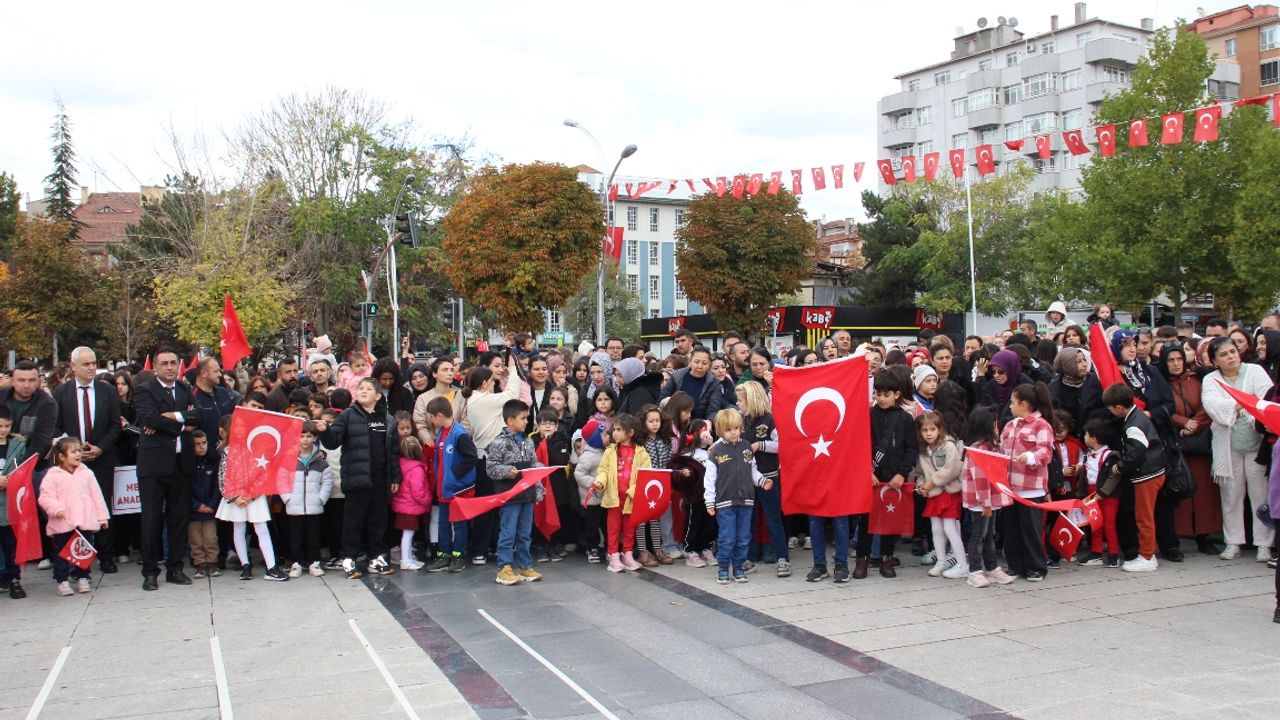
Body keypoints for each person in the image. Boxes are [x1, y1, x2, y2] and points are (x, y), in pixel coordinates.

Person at [315, 377, 401, 579]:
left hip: (380, 480)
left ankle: (376, 557)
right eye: (360, 388)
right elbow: (333, 441)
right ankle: (348, 558)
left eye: (368, 389)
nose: (363, 391)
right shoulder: (347, 416)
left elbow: (394, 452)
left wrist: (395, 477)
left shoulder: (387, 420)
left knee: (378, 520)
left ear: (378, 395)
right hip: (356, 478)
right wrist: (325, 430)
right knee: (353, 521)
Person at [134, 349, 204, 590]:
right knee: (152, 520)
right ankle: (150, 572)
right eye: (164, 364)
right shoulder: (145, 390)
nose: (170, 367)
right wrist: (183, 425)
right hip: (154, 465)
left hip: (181, 464)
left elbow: (199, 416)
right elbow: (150, 419)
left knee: (178, 519)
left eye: (174, 363)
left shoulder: (185, 389)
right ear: (155, 367)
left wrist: (174, 417)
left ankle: (175, 568)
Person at [1201, 337, 1275, 562]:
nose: (1231, 356)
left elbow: (1265, 402)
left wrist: (1246, 405)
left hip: (1255, 445)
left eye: (1233, 351)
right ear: (1214, 361)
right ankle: (1233, 542)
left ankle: (1264, 544)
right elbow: (1213, 407)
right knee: (1231, 496)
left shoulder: (1255, 371)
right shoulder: (1211, 380)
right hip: (1228, 446)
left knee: (1260, 494)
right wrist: (1244, 403)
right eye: (1223, 354)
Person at [51, 347, 122, 574]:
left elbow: (115, 424)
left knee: (102, 506)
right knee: (74, 509)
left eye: (94, 363)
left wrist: (100, 448)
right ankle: (78, 558)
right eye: (86, 364)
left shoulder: (107, 391)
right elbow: (57, 426)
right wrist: (72, 450)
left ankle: (106, 555)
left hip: (102, 458)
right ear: (73, 367)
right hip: (71, 464)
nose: (92, 367)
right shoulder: (61, 393)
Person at [460, 354, 525, 565]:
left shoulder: (474, 400)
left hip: (487, 458)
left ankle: (488, 547)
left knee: (491, 505)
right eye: (491, 380)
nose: (493, 383)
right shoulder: (483, 400)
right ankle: (482, 549)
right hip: (491, 458)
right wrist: (513, 369)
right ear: (484, 383)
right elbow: (512, 394)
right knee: (492, 506)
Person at [1159, 344, 1220, 555]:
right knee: (1179, 489)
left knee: (1204, 493)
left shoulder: (1198, 379)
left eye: (1179, 359)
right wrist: (1183, 422)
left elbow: (1207, 404)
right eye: (1171, 360)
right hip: (1176, 443)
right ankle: (1177, 536)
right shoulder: (1161, 383)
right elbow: (1162, 407)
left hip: (1200, 441)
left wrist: (1195, 423)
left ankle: (1205, 536)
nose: (1176, 364)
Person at [213, 415, 287, 582]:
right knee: (238, 528)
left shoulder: (255, 447)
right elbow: (223, 476)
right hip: (235, 494)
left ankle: (271, 567)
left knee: (261, 529)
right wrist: (235, 496)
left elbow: (263, 473)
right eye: (236, 426)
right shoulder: (226, 449)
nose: (239, 430)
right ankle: (245, 564)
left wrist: (251, 494)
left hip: (254, 494)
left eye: (242, 426)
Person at [1103, 383, 1168, 572]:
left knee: (1144, 517)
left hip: (1147, 474)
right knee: (1145, 515)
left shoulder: (1134, 424)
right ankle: (1147, 554)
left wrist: (1119, 466)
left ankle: (1147, 556)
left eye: (1110, 407)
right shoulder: (1137, 416)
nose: (1109, 411)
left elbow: (1135, 454)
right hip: (1152, 471)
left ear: (1118, 408)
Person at [703, 409, 771, 584]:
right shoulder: (716, 451)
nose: (733, 432)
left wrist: (762, 481)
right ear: (720, 431)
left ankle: (739, 567)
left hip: (746, 501)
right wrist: (709, 501)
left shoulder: (746, 446)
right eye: (728, 429)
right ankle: (723, 568)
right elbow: (709, 479)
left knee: (743, 537)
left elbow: (752, 470)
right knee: (727, 537)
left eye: (736, 428)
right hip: (725, 502)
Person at [38, 437, 109, 596]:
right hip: (63, 522)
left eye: (79, 450)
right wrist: (56, 509)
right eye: (73, 451)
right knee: (61, 553)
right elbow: (45, 496)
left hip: (84, 520)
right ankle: (62, 581)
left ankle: (83, 576)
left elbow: (97, 496)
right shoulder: (53, 475)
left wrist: (102, 518)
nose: (78, 454)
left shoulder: (87, 473)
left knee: (83, 552)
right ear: (62, 456)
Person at [999, 383, 1056, 582]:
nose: (1010, 406)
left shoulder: (1042, 425)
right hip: (1010, 487)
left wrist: (1030, 457)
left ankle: (1036, 567)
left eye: (1013, 402)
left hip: (1031, 489)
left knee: (1030, 529)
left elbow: (1046, 452)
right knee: (1011, 529)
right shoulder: (1009, 425)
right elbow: (1001, 450)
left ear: (1024, 404)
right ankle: (1015, 565)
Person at [487, 399, 544, 585]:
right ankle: (504, 568)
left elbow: (534, 468)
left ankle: (525, 565)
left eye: (527, 418)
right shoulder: (498, 443)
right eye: (523, 418)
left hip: (527, 495)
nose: (526, 421)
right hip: (510, 495)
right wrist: (507, 471)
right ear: (510, 420)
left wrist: (539, 489)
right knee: (508, 532)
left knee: (525, 533)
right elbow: (491, 468)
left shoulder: (528, 442)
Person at [868, 371, 918, 579]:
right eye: (878, 394)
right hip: (872, 475)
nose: (881, 398)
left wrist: (902, 472)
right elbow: (860, 445)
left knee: (890, 519)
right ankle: (865, 556)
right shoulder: (868, 415)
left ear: (897, 394)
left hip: (894, 478)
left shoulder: (905, 419)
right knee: (867, 519)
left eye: (886, 394)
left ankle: (887, 556)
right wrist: (866, 471)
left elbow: (912, 448)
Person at [736, 382, 787, 577]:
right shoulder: (740, 419)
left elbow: (781, 444)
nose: (737, 403)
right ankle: (747, 557)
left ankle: (783, 557)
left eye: (740, 400)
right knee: (748, 519)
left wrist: (761, 445)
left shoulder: (769, 419)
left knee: (773, 518)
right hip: (746, 478)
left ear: (751, 399)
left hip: (768, 477)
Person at [960, 405, 1015, 588]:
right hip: (981, 501)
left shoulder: (993, 446)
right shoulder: (978, 449)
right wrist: (985, 503)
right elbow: (980, 479)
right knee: (978, 535)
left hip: (990, 500)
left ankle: (992, 567)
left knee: (990, 534)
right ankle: (974, 570)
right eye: (994, 423)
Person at [593, 413, 652, 572]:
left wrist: (633, 491)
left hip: (631, 499)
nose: (615, 433)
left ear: (631, 433)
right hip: (614, 497)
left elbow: (645, 475)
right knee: (612, 528)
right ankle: (613, 555)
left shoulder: (641, 452)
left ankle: (627, 554)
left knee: (629, 528)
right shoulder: (610, 451)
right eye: (614, 429)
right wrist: (600, 481)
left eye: (619, 430)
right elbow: (603, 470)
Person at [916, 411, 966, 579]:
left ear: (940, 429)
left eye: (932, 429)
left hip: (949, 492)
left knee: (950, 528)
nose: (928, 433)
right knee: (936, 529)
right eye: (924, 430)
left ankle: (962, 564)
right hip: (934, 494)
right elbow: (921, 473)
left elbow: (952, 469)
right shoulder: (923, 450)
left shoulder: (948, 445)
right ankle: (941, 561)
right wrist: (922, 485)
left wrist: (932, 482)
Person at [284, 422, 333, 577]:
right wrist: (287, 498)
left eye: (309, 436)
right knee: (295, 536)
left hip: (314, 506)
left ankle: (314, 562)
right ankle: (296, 563)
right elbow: (281, 481)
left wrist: (321, 499)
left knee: (313, 536)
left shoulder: (320, 461)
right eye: (302, 436)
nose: (305, 439)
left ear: (314, 438)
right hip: (294, 505)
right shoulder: (289, 459)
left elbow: (327, 482)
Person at [1078, 419, 1121, 568]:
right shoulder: (1088, 454)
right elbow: (1085, 474)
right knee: (1095, 525)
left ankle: (1113, 553)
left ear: (1094, 438)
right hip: (1090, 494)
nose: (1084, 437)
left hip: (1108, 497)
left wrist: (1102, 494)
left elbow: (1113, 478)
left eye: (1086, 434)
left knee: (1109, 525)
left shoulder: (1110, 456)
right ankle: (1096, 552)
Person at [635, 406, 673, 567]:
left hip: (659, 484)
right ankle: (643, 551)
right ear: (644, 423)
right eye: (651, 421)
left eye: (657, 421)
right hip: (642, 484)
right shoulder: (640, 442)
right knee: (641, 520)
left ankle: (657, 549)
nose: (655, 424)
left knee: (655, 517)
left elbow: (669, 460)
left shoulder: (664, 441)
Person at [392, 435, 431, 572]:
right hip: (411, 507)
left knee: (407, 534)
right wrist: (428, 500)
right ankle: (406, 560)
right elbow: (418, 492)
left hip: (403, 505)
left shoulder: (400, 465)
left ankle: (408, 557)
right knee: (408, 534)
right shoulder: (417, 470)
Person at [660, 347, 726, 421]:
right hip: (673, 420)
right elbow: (662, 397)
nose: (700, 366)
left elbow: (713, 409)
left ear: (709, 365)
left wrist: (708, 422)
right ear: (690, 362)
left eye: (704, 363)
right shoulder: (677, 376)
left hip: (698, 422)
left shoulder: (714, 383)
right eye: (696, 362)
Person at [189, 430, 221, 578]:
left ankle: (212, 563)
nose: (202, 447)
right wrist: (196, 505)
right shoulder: (187, 465)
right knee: (195, 539)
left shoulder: (212, 462)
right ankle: (200, 563)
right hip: (193, 510)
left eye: (204, 443)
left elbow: (217, 486)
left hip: (209, 508)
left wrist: (212, 504)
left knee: (210, 537)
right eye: (197, 444)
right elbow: (184, 489)